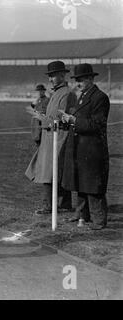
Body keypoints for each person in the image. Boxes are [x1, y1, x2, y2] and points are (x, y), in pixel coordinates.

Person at [59, 63, 110, 230]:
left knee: (93, 187)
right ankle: (81, 215)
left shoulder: (100, 97)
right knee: (80, 182)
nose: (77, 84)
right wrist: (66, 121)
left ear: (90, 79)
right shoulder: (81, 96)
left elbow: (97, 124)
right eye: (76, 80)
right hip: (79, 147)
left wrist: (74, 121)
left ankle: (98, 221)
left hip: (92, 149)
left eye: (80, 80)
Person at [25, 61, 76, 215]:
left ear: (62, 75)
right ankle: (61, 204)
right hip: (50, 138)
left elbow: (60, 119)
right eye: (49, 76)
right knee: (51, 171)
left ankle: (51, 205)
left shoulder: (67, 93)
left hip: (59, 138)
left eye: (53, 76)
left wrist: (39, 117)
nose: (50, 79)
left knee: (50, 172)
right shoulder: (56, 93)